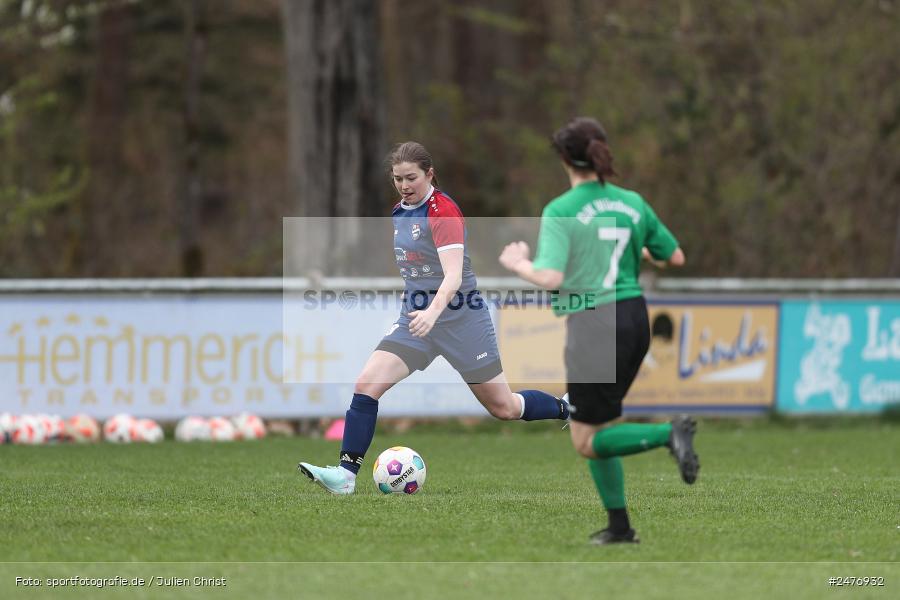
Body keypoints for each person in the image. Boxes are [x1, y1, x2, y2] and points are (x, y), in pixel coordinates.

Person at [298, 141, 569, 494]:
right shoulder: (400, 212)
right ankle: (346, 477)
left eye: (411, 178)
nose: (404, 185)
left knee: (504, 407)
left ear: (429, 174)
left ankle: (566, 408)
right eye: (397, 179)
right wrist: (415, 302)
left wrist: (432, 312)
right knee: (367, 384)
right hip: (417, 320)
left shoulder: (443, 212)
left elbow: (453, 277)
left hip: (461, 320)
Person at [499, 117, 699, 545]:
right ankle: (620, 527)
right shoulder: (632, 202)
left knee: (588, 440)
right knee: (598, 427)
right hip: (634, 318)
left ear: (564, 159)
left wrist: (518, 263)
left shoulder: (563, 209)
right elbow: (675, 256)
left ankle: (670, 433)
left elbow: (551, 277)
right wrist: (637, 247)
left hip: (594, 321)